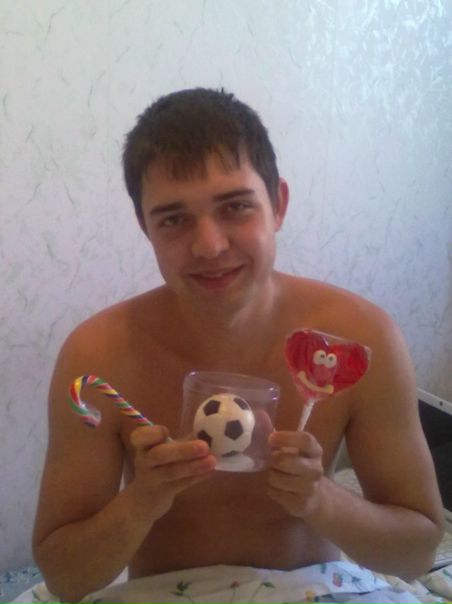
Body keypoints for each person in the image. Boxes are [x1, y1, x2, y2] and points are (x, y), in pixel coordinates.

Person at [32, 88, 444, 602]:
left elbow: (416, 553)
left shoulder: (360, 340)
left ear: (278, 205)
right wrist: (141, 502)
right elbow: (66, 577)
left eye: (236, 207)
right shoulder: (97, 356)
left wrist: (321, 499)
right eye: (173, 219)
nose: (209, 245)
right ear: (145, 228)